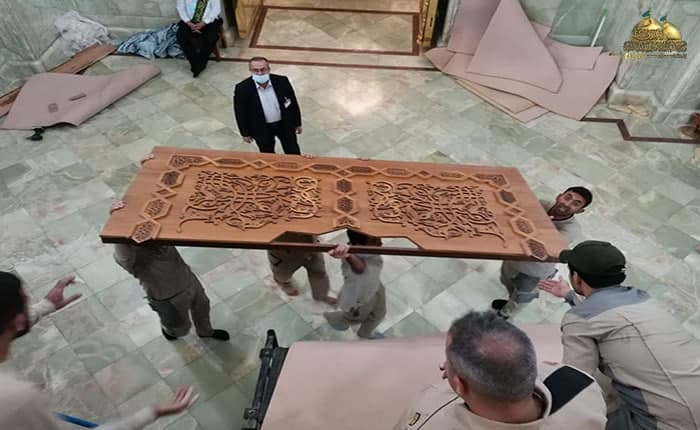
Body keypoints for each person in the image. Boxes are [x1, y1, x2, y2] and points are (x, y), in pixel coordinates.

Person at [0, 272, 198, 428]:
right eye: (26, 303)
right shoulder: (18, 400)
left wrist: (46, 305)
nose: (29, 306)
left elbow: (16, 322)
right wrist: (152, 412)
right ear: (17, 322)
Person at [539, 240, 700, 430]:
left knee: (576, 416)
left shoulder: (578, 320)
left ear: (576, 278)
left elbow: (575, 380)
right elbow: (604, 312)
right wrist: (568, 294)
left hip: (665, 423)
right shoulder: (643, 300)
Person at [393, 310, 607, 429]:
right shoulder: (580, 386)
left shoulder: (431, 414)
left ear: (459, 384)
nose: (443, 364)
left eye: (448, 362)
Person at [111, 200, 229, 342]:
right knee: (180, 328)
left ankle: (205, 332)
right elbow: (122, 252)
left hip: (189, 281)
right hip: (168, 299)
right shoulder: (131, 258)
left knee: (202, 307)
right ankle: (170, 331)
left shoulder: (160, 236)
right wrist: (117, 221)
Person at [492, 186, 592, 319]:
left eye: (576, 204)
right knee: (506, 281)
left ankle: (504, 314)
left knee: (522, 296)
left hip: (533, 270)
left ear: (579, 211)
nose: (567, 204)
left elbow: (542, 247)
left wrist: (537, 225)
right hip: (514, 256)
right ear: (559, 196)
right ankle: (510, 300)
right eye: (567, 197)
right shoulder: (541, 204)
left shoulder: (572, 229)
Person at [323, 230, 386, 339]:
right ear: (358, 244)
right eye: (374, 241)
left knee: (379, 313)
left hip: (375, 286)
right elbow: (360, 268)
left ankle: (366, 332)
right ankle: (333, 319)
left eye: (379, 238)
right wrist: (348, 255)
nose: (380, 243)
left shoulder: (369, 249)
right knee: (352, 318)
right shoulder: (352, 259)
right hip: (359, 300)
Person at [233, 57, 303, 154]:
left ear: (269, 69)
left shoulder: (282, 81)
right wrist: (245, 133)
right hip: (261, 127)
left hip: (284, 124)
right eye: (256, 70)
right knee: (267, 153)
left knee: (293, 150)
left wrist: (297, 123)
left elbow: (293, 103)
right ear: (250, 71)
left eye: (263, 69)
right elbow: (240, 112)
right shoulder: (242, 88)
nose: (260, 73)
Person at [268, 232, 337, 305]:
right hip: (283, 253)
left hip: (311, 246)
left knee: (319, 273)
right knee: (282, 274)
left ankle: (321, 296)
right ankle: (284, 283)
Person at [176, 0, 222, 77]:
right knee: (181, 36)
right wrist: (188, 23)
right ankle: (196, 63)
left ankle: (201, 62)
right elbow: (180, 8)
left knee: (212, 37)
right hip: (189, 22)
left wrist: (203, 23)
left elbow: (216, 9)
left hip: (208, 21)